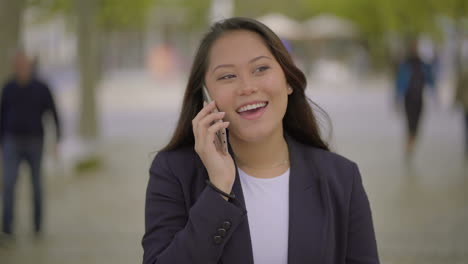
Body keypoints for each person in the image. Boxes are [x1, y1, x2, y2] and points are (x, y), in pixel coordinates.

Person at [142, 17, 379, 264]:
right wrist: (219, 188)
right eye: (227, 76)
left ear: (288, 80)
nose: (247, 87)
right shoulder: (173, 171)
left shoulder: (342, 178)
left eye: (261, 69)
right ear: (206, 94)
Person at [0, 51, 61, 236]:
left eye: (24, 64)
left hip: (35, 142)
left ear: (29, 66)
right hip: (12, 142)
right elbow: (1, 117)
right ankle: (7, 229)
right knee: (9, 184)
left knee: (36, 186)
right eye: (17, 65)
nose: (21, 68)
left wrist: (57, 141)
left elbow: (53, 113)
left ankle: (37, 227)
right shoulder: (8, 88)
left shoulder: (41, 88)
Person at [395, 39, 435, 158]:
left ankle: (410, 143)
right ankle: (409, 145)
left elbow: (430, 80)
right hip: (409, 99)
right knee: (410, 123)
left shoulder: (423, 64)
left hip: (419, 98)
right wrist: (397, 98)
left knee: (417, 123)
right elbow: (399, 83)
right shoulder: (405, 64)